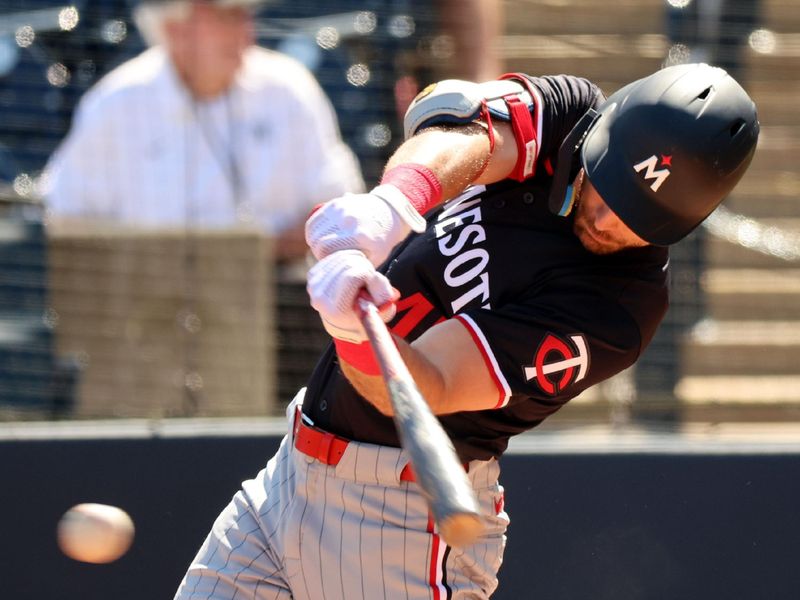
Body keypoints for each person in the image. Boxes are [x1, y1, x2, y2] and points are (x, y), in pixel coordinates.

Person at [174, 63, 759, 599]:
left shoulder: (621, 309)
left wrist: (349, 330)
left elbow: (429, 382)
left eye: (635, 218)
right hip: (288, 476)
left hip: (400, 520)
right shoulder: (571, 117)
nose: (604, 219)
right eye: (605, 188)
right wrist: (393, 206)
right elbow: (467, 130)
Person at [43, 0, 363, 260]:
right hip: (143, 313)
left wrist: (260, 252)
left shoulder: (289, 89)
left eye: (245, 14)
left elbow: (342, 208)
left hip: (278, 306)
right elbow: (66, 219)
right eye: (226, 16)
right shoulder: (114, 104)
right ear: (174, 28)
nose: (246, 30)